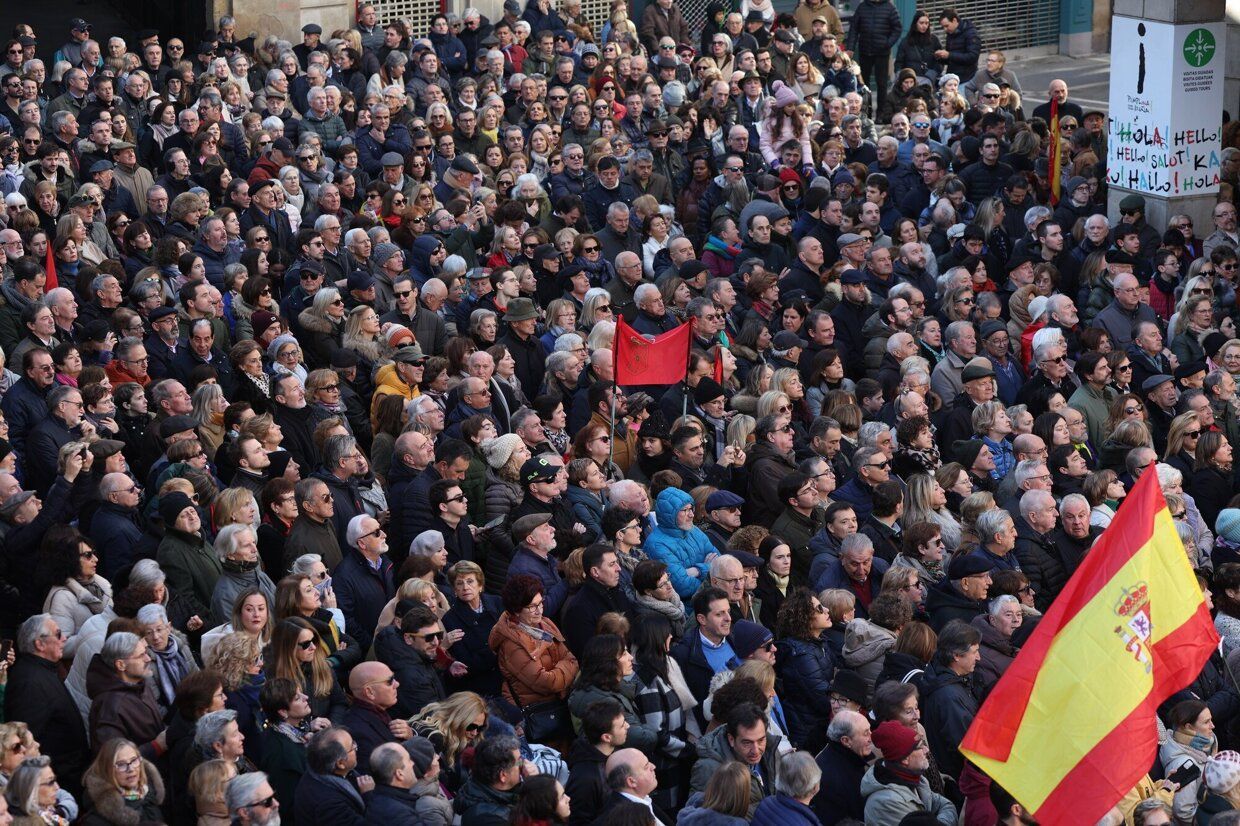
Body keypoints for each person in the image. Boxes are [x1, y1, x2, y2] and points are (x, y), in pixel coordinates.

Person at [5, 614, 89, 796]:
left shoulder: (42, 670)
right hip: (57, 785)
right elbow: (26, 741)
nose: (64, 638)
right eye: (58, 634)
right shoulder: (29, 683)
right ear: (40, 644)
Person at [690, 701, 783, 818]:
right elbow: (700, 818)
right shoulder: (708, 769)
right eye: (747, 743)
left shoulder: (771, 749)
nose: (756, 750)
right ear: (731, 739)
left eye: (761, 740)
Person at [917, 619, 980, 779]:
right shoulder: (949, 696)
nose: (978, 657)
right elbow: (963, 747)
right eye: (974, 652)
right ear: (956, 656)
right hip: (959, 779)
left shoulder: (950, 680)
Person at [860, 720, 957, 824]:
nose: (926, 750)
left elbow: (947, 805)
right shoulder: (887, 802)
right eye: (920, 747)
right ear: (905, 759)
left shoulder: (914, 777)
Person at [80, 737, 165, 826]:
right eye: (121, 764)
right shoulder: (95, 820)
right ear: (107, 769)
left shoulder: (152, 793)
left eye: (134, 760)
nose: (131, 769)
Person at [292, 727, 367, 826]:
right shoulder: (330, 806)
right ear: (340, 763)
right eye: (352, 747)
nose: (356, 747)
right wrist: (368, 796)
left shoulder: (318, 768)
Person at [811, 709, 871, 825]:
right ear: (846, 741)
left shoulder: (851, 757)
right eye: (865, 733)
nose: (871, 738)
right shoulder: (829, 777)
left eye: (869, 730)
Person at [455, 734, 526, 826]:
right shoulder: (489, 820)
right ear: (503, 775)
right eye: (519, 762)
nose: (524, 764)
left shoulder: (479, 786)